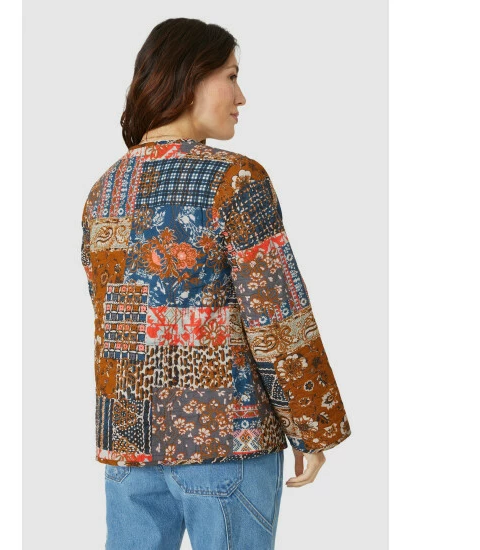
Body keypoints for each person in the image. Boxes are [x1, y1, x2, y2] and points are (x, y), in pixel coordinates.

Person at [80, 17, 352, 550]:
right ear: (190, 77)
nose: (241, 96)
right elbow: (278, 314)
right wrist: (312, 427)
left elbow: (108, 313)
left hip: (128, 443)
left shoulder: (105, 188)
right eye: (230, 76)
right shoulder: (236, 180)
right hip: (227, 438)